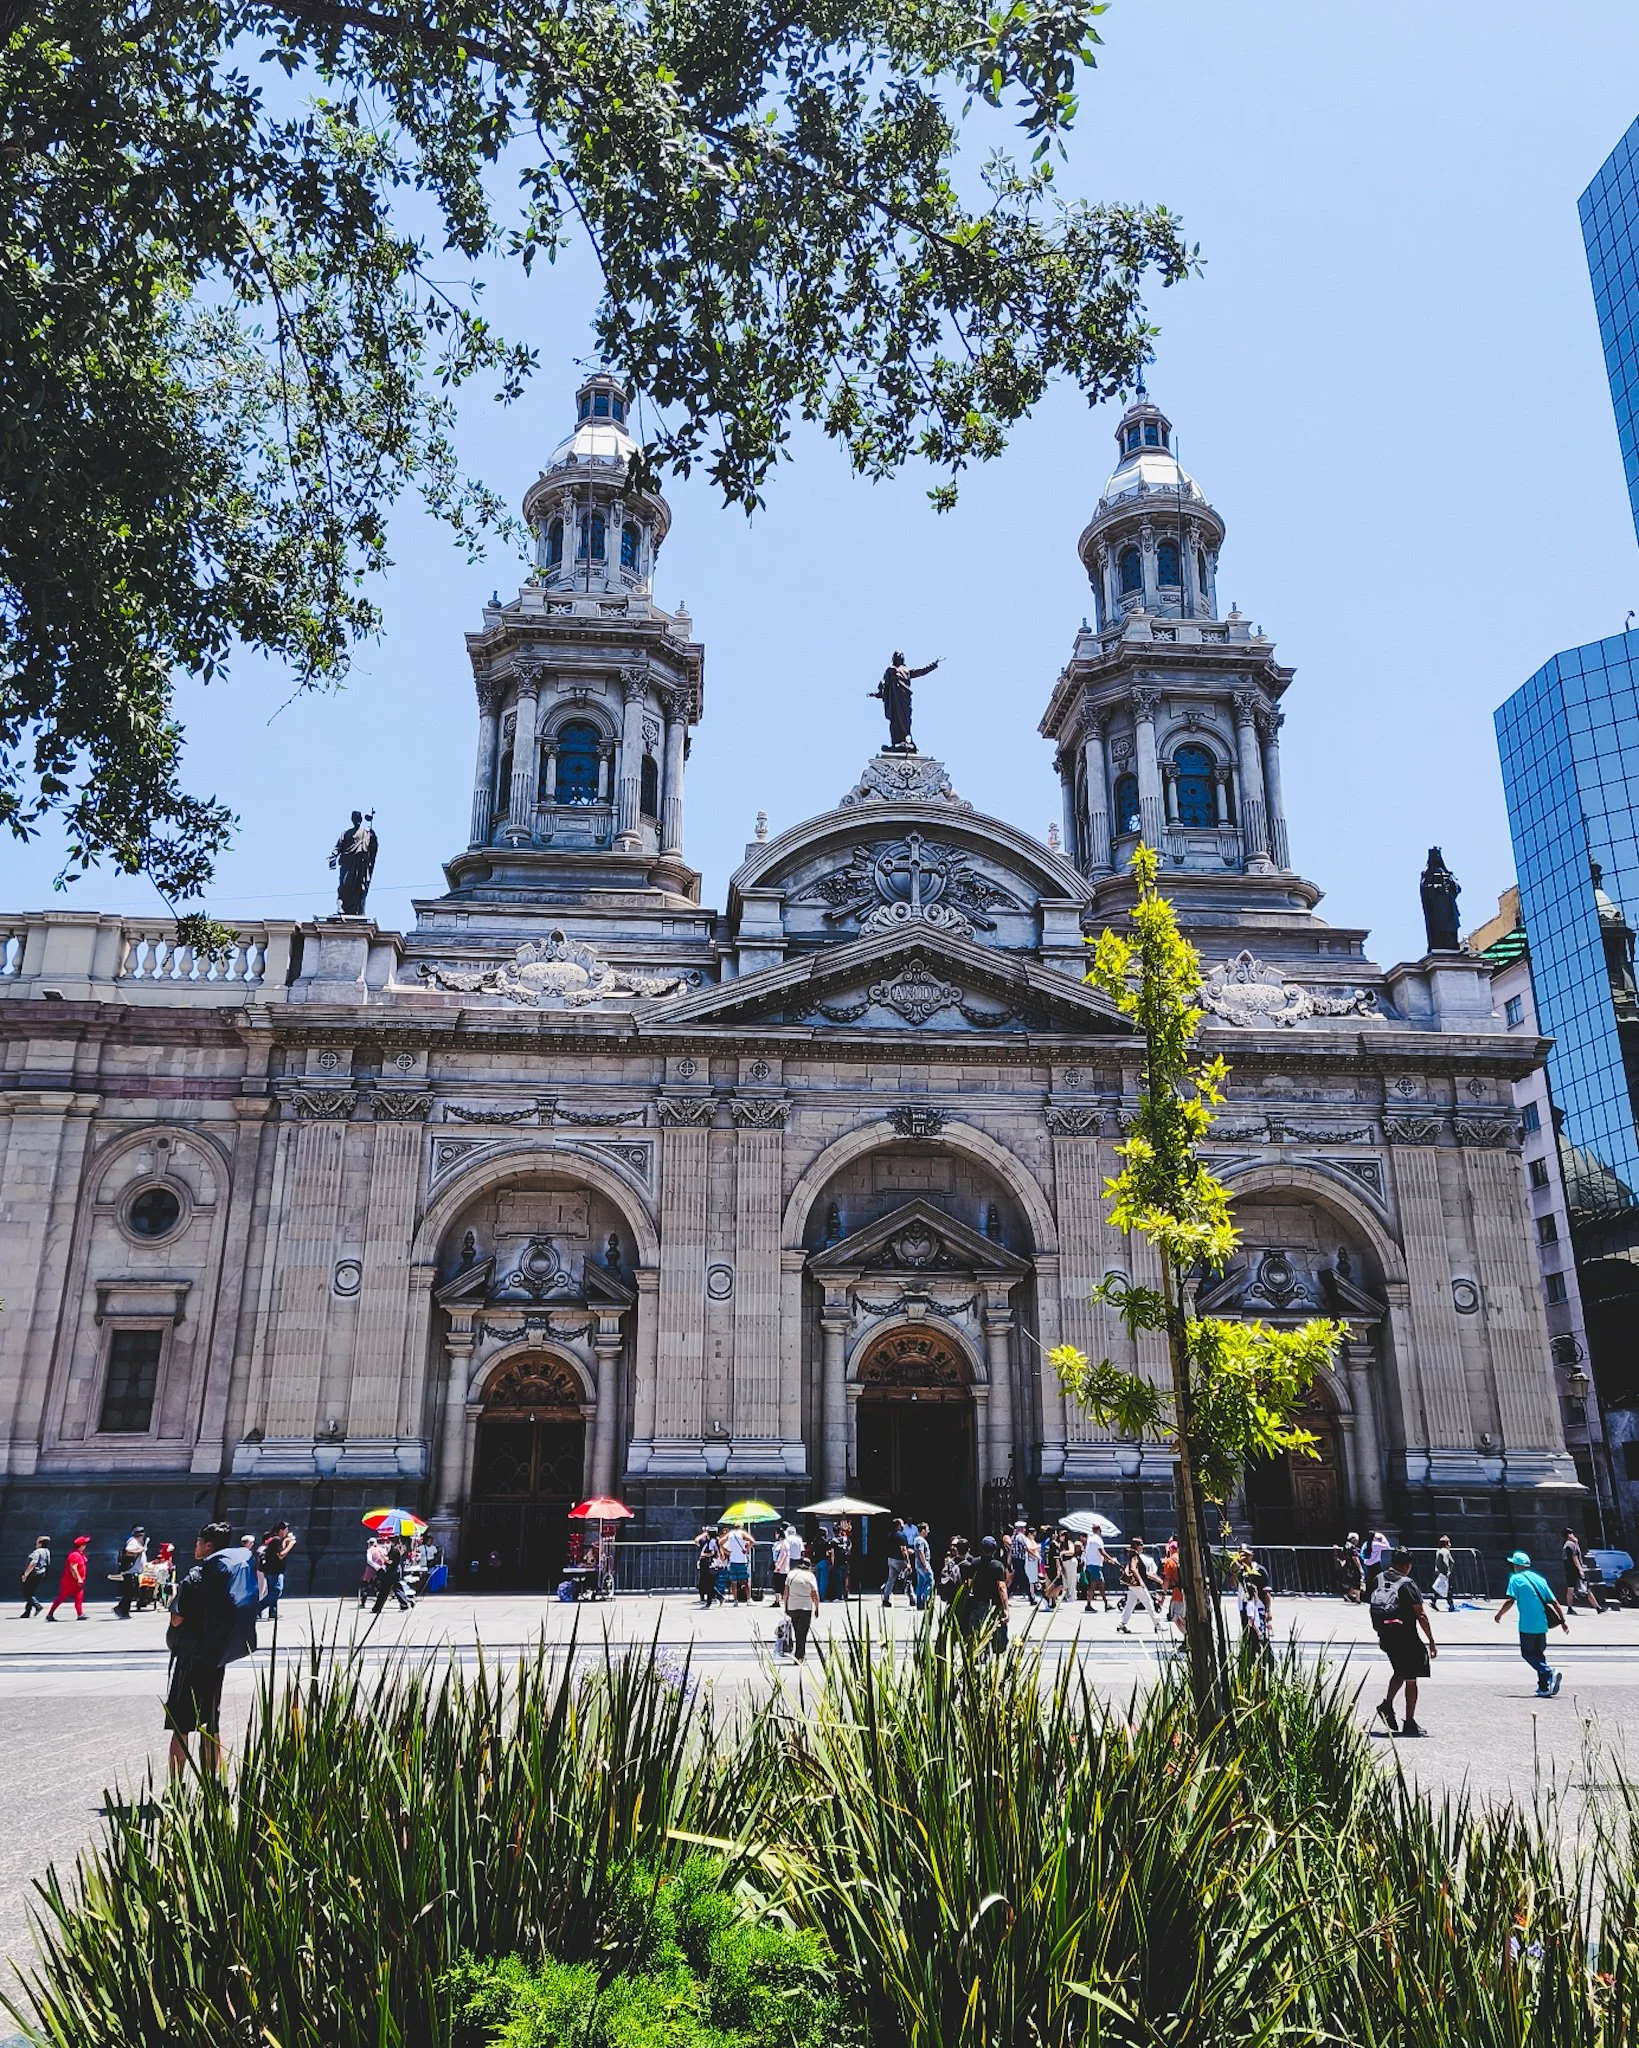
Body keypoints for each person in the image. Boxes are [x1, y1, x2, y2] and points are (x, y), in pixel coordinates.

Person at [165, 1519, 259, 1780]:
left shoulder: (195, 1576)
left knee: (181, 1724)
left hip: (190, 1657)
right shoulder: (226, 1574)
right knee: (210, 1721)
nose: (195, 1546)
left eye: (198, 1542)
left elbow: (177, 1618)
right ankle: (213, 1781)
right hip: (215, 1656)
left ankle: (176, 1785)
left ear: (208, 1545)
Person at [1371, 1546, 1437, 1736]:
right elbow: (1421, 1615)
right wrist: (1431, 1641)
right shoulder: (1407, 1584)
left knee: (1400, 1671)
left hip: (1386, 1636)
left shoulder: (1378, 1579)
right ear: (1408, 1565)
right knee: (1411, 1679)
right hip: (1406, 1638)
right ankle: (1409, 1722)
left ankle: (1387, 1705)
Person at [1495, 1549, 1569, 1698]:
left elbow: (1510, 1600)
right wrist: (1563, 1622)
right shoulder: (1540, 1579)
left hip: (1527, 1624)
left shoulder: (1515, 1579)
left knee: (1527, 1653)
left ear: (1516, 1565)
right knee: (1539, 1655)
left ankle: (1549, 1672)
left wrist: (1499, 1614)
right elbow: (1554, 1602)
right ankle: (1543, 1687)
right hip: (1542, 1624)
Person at [959, 1534, 1010, 1652]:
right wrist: (1006, 1608)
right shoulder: (998, 1566)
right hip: (994, 1605)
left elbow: (969, 1583)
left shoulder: (974, 1564)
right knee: (997, 1636)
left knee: (977, 1635)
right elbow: (1001, 1587)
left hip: (978, 1604)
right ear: (994, 1550)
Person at [782, 1551, 821, 1664]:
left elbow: (786, 1593)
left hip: (792, 1607)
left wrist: (786, 1607)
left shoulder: (791, 1575)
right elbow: (815, 1595)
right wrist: (817, 1608)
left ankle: (798, 1654)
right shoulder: (810, 1576)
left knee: (797, 1632)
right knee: (802, 1633)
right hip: (805, 1608)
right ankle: (799, 1656)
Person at [1118, 1538, 1161, 1634]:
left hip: (1133, 1585)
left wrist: (1155, 1578)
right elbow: (1134, 1569)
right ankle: (1157, 1624)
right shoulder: (1134, 1556)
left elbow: (1143, 1572)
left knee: (1130, 1604)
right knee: (1148, 1602)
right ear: (1136, 1546)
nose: (1142, 1546)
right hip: (1137, 1585)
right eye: (1141, 1544)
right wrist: (1141, 1581)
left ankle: (1122, 1623)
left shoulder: (1133, 1555)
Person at [256, 1520, 297, 1619]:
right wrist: (291, 1544)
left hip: (270, 1570)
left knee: (272, 1591)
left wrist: (285, 1542)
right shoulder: (276, 1540)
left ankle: (273, 1611)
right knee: (276, 1591)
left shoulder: (274, 1540)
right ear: (281, 1530)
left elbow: (279, 1550)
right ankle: (257, 1608)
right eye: (286, 1530)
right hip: (275, 1570)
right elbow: (281, 1555)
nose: (287, 1532)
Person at [46, 1535, 90, 1620]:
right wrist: (78, 1578)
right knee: (62, 1597)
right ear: (81, 1546)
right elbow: (73, 1567)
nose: (85, 1546)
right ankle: (50, 1614)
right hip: (70, 1582)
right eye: (84, 1544)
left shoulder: (79, 1554)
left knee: (78, 1597)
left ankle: (80, 1614)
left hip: (75, 1582)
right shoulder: (75, 1555)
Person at [1236, 1550, 1273, 1651]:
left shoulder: (1260, 1570)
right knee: (1248, 1634)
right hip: (1246, 1604)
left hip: (1259, 1605)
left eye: (1246, 1555)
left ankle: (1265, 1655)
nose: (1243, 1558)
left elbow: (1266, 1592)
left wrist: (1268, 1610)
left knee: (1262, 1638)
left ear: (1251, 1556)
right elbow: (1234, 1584)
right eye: (1241, 1555)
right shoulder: (1240, 1572)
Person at [1561, 1528, 1603, 1614]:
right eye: (1572, 1534)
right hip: (1575, 1570)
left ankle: (1570, 1608)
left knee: (1570, 1588)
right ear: (1569, 1535)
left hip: (1569, 1570)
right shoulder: (1571, 1544)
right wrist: (1580, 1570)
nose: (1573, 1535)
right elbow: (1575, 1558)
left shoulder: (1566, 1545)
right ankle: (1597, 1608)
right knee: (1586, 1588)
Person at [112, 1525, 148, 1618]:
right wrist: (140, 1550)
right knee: (130, 1592)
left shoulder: (137, 1542)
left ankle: (123, 1609)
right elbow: (128, 1551)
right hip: (130, 1571)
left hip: (133, 1571)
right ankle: (122, 1609)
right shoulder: (133, 1542)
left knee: (131, 1592)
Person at [372, 1537, 414, 1614]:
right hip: (395, 1572)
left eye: (388, 1542)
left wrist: (382, 1557)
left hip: (391, 1573)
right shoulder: (397, 1549)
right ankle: (405, 1604)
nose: (386, 1544)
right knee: (397, 1589)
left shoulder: (395, 1550)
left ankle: (377, 1608)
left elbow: (390, 1561)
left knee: (384, 1590)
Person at [1080, 1528, 1112, 1613]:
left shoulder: (1090, 1539)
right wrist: (1110, 1559)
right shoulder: (1098, 1540)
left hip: (1091, 1564)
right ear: (1099, 1530)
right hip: (1095, 1566)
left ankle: (1106, 1604)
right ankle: (1088, 1605)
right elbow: (1101, 1551)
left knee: (1101, 1584)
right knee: (1093, 1586)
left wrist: (1104, 1558)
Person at [19, 1535, 51, 1619]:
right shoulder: (47, 1551)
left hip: (34, 1574)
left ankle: (37, 1606)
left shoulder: (37, 1551)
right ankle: (27, 1612)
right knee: (31, 1592)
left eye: (37, 1542)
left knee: (26, 1593)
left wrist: (26, 1574)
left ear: (40, 1543)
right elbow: (48, 1563)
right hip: (42, 1573)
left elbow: (33, 1562)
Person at [1161, 1538, 1186, 1639]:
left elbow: (1166, 1579)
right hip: (1187, 1592)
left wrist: (1163, 1594)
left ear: (1170, 1549)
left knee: (1175, 1617)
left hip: (1177, 1594)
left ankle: (1187, 1636)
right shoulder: (1184, 1558)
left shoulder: (1169, 1561)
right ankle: (1188, 1636)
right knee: (1184, 1616)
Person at [723, 1522, 753, 1603]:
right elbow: (752, 1541)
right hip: (742, 1560)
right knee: (746, 1581)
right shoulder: (742, 1533)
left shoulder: (730, 1534)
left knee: (734, 1582)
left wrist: (727, 1552)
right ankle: (748, 1599)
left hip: (733, 1560)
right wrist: (747, 1549)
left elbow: (720, 1542)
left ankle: (735, 1600)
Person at [1431, 1535, 1457, 1614]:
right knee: (1448, 1589)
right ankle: (1451, 1605)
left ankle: (1433, 1600)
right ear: (1446, 1544)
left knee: (1439, 1587)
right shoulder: (1446, 1551)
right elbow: (1447, 1561)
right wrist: (1448, 1571)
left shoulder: (1438, 1550)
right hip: (1444, 1573)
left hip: (1438, 1572)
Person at [361, 1535, 388, 1608]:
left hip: (370, 1571)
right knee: (379, 1587)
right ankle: (380, 1603)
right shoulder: (381, 1549)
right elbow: (386, 1557)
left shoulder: (370, 1550)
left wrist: (376, 1566)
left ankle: (363, 1603)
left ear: (370, 1544)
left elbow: (369, 1560)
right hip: (381, 1570)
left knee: (366, 1587)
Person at [1361, 1530, 1391, 1597]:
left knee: (1368, 1581)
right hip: (1375, 1564)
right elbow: (1387, 1546)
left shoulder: (1365, 1544)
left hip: (1367, 1564)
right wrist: (1383, 1537)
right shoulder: (1376, 1544)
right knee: (1378, 1579)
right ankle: (1376, 1595)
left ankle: (1368, 1596)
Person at [913, 1522, 934, 1610]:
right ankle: (924, 1599)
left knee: (920, 1584)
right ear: (922, 1530)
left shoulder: (916, 1539)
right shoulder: (920, 1540)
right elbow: (921, 1552)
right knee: (930, 1581)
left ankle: (919, 1603)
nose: (928, 1531)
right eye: (927, 1529)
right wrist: (925, 1565)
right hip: (923, 1565)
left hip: (918, 1565)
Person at [1338, 1535, 1364, 1605]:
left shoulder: (1346, 1546)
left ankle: (1349, 1595)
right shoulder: (1352, 1548)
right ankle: (1358, 1599)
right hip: (1354, 1567)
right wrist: (1360, 1568)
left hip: (1349, 1567)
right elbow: (1355, 1558)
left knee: (1353, 1582)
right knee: (1357, 1581)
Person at [770, 1526, 792, 1604]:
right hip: (776, 1566)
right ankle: (777, 1600)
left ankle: (784, 1600)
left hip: (782, 1568)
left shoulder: (784, 1543)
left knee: (782, 1584)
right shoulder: (777, 1543)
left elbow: (784, 1555)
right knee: (776, 1584)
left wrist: (779, 1565)